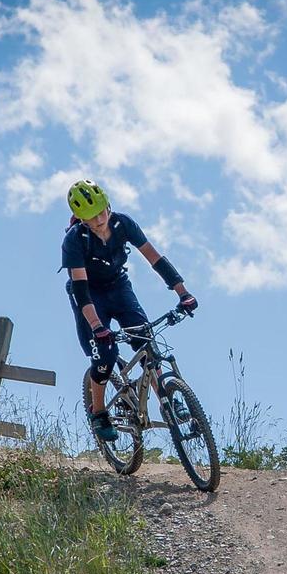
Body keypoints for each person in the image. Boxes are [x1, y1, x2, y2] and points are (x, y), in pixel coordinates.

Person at [62, 179, 197, 442]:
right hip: (89, 295)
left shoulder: (122, 223)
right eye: (92, 217)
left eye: (103, 211)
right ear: (81, 218)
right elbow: (80, 289)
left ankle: (167, 399)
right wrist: (98, 327)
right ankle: (99, 412)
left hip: (118, 286)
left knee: (145, 341)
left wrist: (183, 292)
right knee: (104, 355)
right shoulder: (74, 241)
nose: (100, 219)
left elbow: (155, 258)